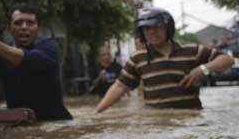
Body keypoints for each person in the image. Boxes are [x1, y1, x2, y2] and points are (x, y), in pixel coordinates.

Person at [96, 8, 234, 112]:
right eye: (147, 29)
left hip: (191, 119)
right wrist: (97, 112)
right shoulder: (138, 58)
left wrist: (204, 69)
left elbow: (227, 60)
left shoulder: (192, 51)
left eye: (157, 27)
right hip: (156, 123)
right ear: (142, 33)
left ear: (168, 28)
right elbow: (120, 86)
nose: (152, 32)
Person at [0, 4, 73, 121]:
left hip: (54, 124)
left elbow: (27, 58)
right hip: (20, 123)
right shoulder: (1, 56)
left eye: (30, 23)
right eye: (18, 23)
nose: (24, 27)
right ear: (9, 29)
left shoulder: (50, 48)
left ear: (39, 29)